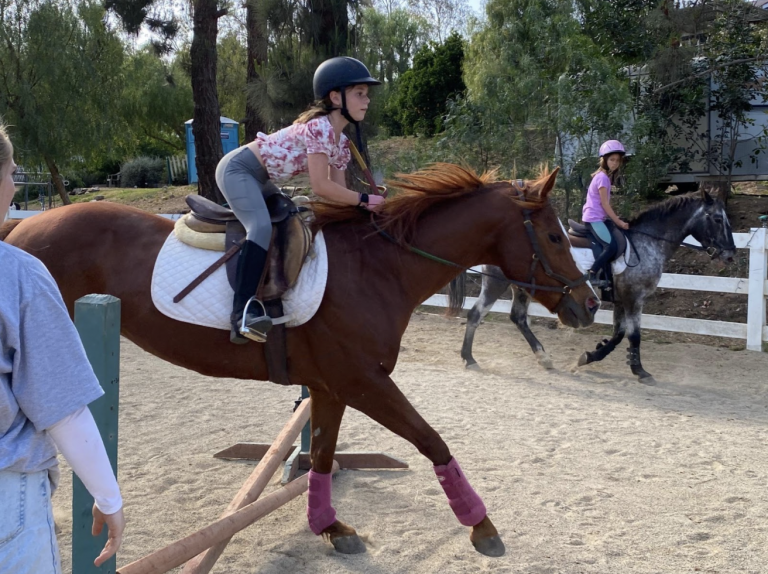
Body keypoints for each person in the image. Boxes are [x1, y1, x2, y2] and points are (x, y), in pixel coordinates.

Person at [0, 124, 125, 573]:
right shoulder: (19, 275)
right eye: (11, 173)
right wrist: (107, 495)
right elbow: (60, 406)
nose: (15, 185)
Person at [216, 56, 384, 344]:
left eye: (366, 94)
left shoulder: (342, 143)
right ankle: (241, 315)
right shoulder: (320, 128)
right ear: (335, 96)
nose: (366, 100)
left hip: (263, 180)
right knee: (260, 228)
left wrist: (364, 204)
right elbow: (320, 186)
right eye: (359, 93)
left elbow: (338, 194)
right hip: (238, 170)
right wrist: (365, 198)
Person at [582, 139, 630, 291]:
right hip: (593, 219)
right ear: (604, 160)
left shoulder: (604, 177)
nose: (615, 163)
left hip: (598, 217)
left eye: (617, 160)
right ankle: (592, 274)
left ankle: (608, 280)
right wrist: (619, 222)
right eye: (611, 160)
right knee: (610, 246)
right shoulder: (603, 178)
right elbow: (604, 204)